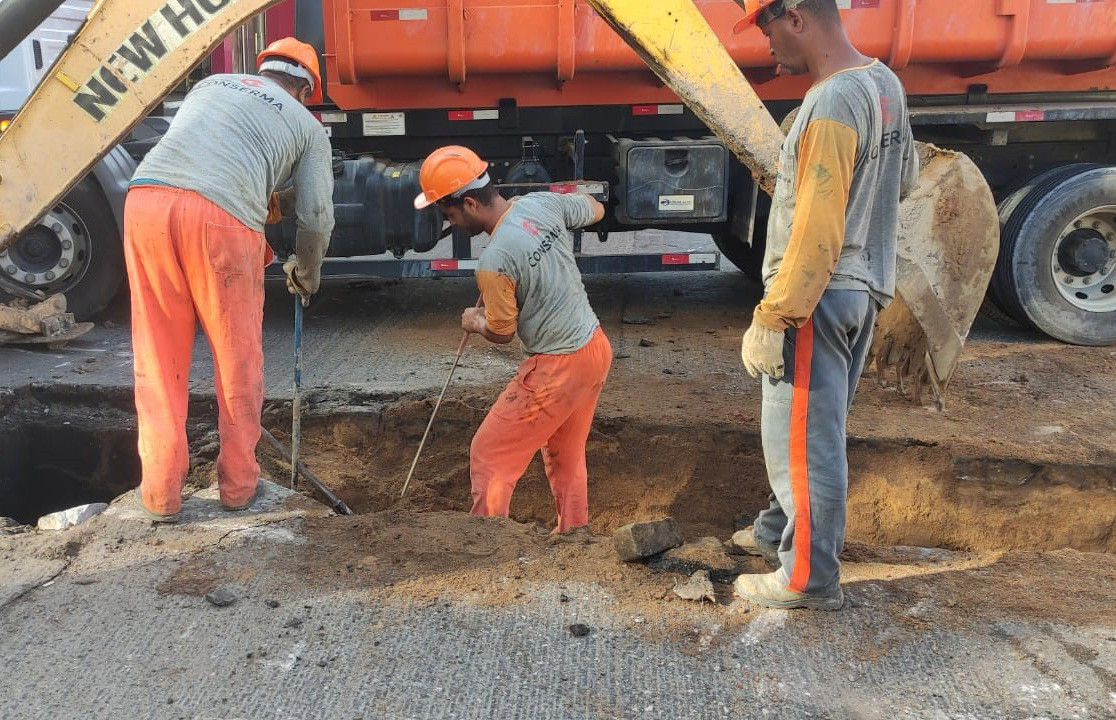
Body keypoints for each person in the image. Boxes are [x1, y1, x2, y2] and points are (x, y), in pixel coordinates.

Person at [729, 0, 919, 609]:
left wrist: (774, 315)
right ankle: (774, 533)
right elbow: (905, 178)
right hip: (861, 286)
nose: (767, 47)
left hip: (816, 295)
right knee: (807, 430)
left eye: (767, 30)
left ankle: (807, 578)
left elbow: (816, 230)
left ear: (797, 18)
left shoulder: (833, 101)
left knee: (808, 442)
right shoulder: (882, 82)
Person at [124, 38, 334, 521]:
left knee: (156, 356)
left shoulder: (211, 85)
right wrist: (306, 273)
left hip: (145, 202)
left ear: (261, 71)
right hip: (219, 222)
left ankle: (160, 495)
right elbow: (317, 218)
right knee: (236, 357)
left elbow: (207, 155)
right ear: (305, 89)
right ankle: (238, 487)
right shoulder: (306, 125)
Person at [414, 146, 611, 534]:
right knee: (565, 455)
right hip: (594, 348)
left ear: (470, 203)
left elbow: (502, 332)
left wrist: (475, 321)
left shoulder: (494, 262)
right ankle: (575, 534)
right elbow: (595, 208)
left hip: (557, 366)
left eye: (449, 213)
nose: (450, 222)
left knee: (490, 453)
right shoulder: (539, 204)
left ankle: (489, 546)